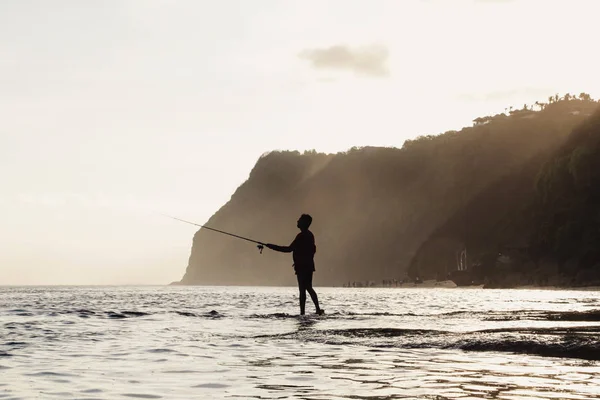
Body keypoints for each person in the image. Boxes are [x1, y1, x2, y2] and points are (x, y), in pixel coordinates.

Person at [266, 214, 324, 316]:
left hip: (302, 267)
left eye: (299, 220)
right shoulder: (310, 235)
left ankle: (303, 313)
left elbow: (288, 249)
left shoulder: (302, 236)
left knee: (303, 289)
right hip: (308, 266)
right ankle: (317, 310)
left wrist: (271, 246)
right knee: (308, 288)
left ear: (304, 223)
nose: (297, 221)